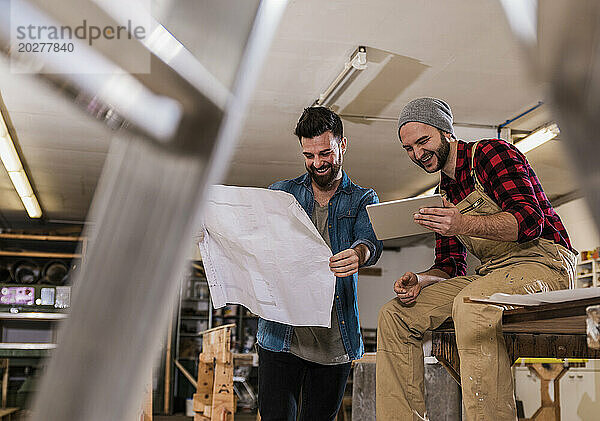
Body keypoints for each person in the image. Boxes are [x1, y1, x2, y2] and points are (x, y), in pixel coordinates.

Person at [376, 98, 577, 421]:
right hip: (493, 274)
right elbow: (450, 265)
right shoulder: (444, 191)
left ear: (446, 132)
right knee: (395, 314)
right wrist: (422, 279)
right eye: (408, 148)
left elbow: (529, 221)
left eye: (423, 141)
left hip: (545, 263)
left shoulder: (492, 154)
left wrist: (462, 223)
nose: (417, 153)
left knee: (471, 304)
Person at [257, 106, 383, 421]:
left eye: (325, 153)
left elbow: (371, 242)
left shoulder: (362, 199)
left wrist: (358, 254)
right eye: (309, 155)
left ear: (343, 145)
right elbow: (257, 239)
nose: (317, 163)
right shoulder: (282, 193)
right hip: (281, 336)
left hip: (333, 342)